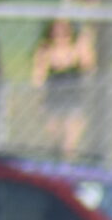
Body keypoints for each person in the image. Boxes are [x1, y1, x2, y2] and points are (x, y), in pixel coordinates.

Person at [30, 16, 95, 160]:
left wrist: (83, 41)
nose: (60, 32)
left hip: (74, 99)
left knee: (70, 146)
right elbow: (38, 77)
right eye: (56, 28)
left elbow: (89, 67)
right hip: (52, 100)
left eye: (64, 28)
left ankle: (69, 167)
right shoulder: (45, 49)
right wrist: (38, 99)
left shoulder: (78, 46)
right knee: (55, 143)